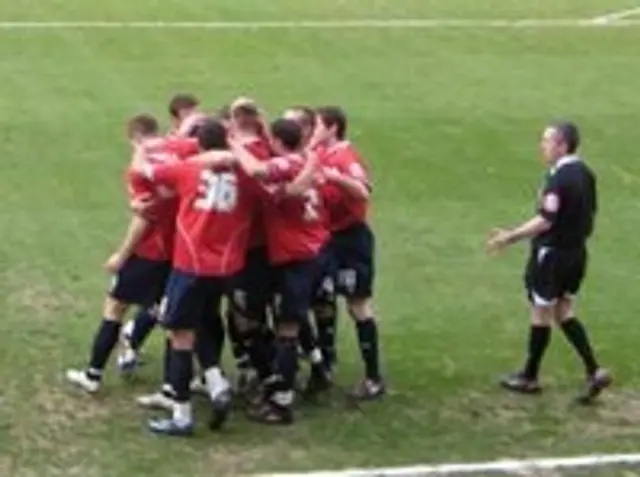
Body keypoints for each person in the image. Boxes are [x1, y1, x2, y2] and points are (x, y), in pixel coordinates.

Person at [135, 118, 258, 435]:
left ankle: (182, 415)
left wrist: (139, 149)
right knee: (203, 322)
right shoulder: (243, 172)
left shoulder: (187, 169)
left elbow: (146, 172)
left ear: (200, 143)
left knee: (180, 336)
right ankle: (217, 385)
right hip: (227, 267)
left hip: (191, 264)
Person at [487, 121, 611, 404]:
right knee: (564, 310)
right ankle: (594, 369)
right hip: (577, 253)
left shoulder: (558, 180)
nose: (542, 146)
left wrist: (511, 236)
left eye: (547, 141)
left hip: (552, 255)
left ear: (562, 145)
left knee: (541, 312)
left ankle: (529, 376)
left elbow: (545, 219)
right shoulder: (585, 174)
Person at [65, 114, 175, 393]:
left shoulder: (140, 169)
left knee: (115, 307)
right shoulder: (176, 155)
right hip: (177, 250)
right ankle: (181, 381)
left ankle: (93, 374)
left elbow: (144, 217)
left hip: (149, 251)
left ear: (134, 137)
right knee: (165, 307)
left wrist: (122, 255)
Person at [229, 118, 328, 424]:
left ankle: (281, 402)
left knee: (287, 330)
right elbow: (292, 187)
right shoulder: (306, 162)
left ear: (278, 141)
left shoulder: (287, 165)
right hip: (309, 252)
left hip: (296, 259)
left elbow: (259, 171)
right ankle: (286, 381)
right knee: (284, 326)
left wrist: (232, 144)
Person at [316, 106, 385, 401]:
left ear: (332, 128)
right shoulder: (321, 154)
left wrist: (335, 178)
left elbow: (363, 190)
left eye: (318, 125)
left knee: (358, 304)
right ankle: (326, 364)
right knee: (322, 299)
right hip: (327, 239)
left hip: (350, 241)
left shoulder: (345, 157)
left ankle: (373, 377)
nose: (313, 131)